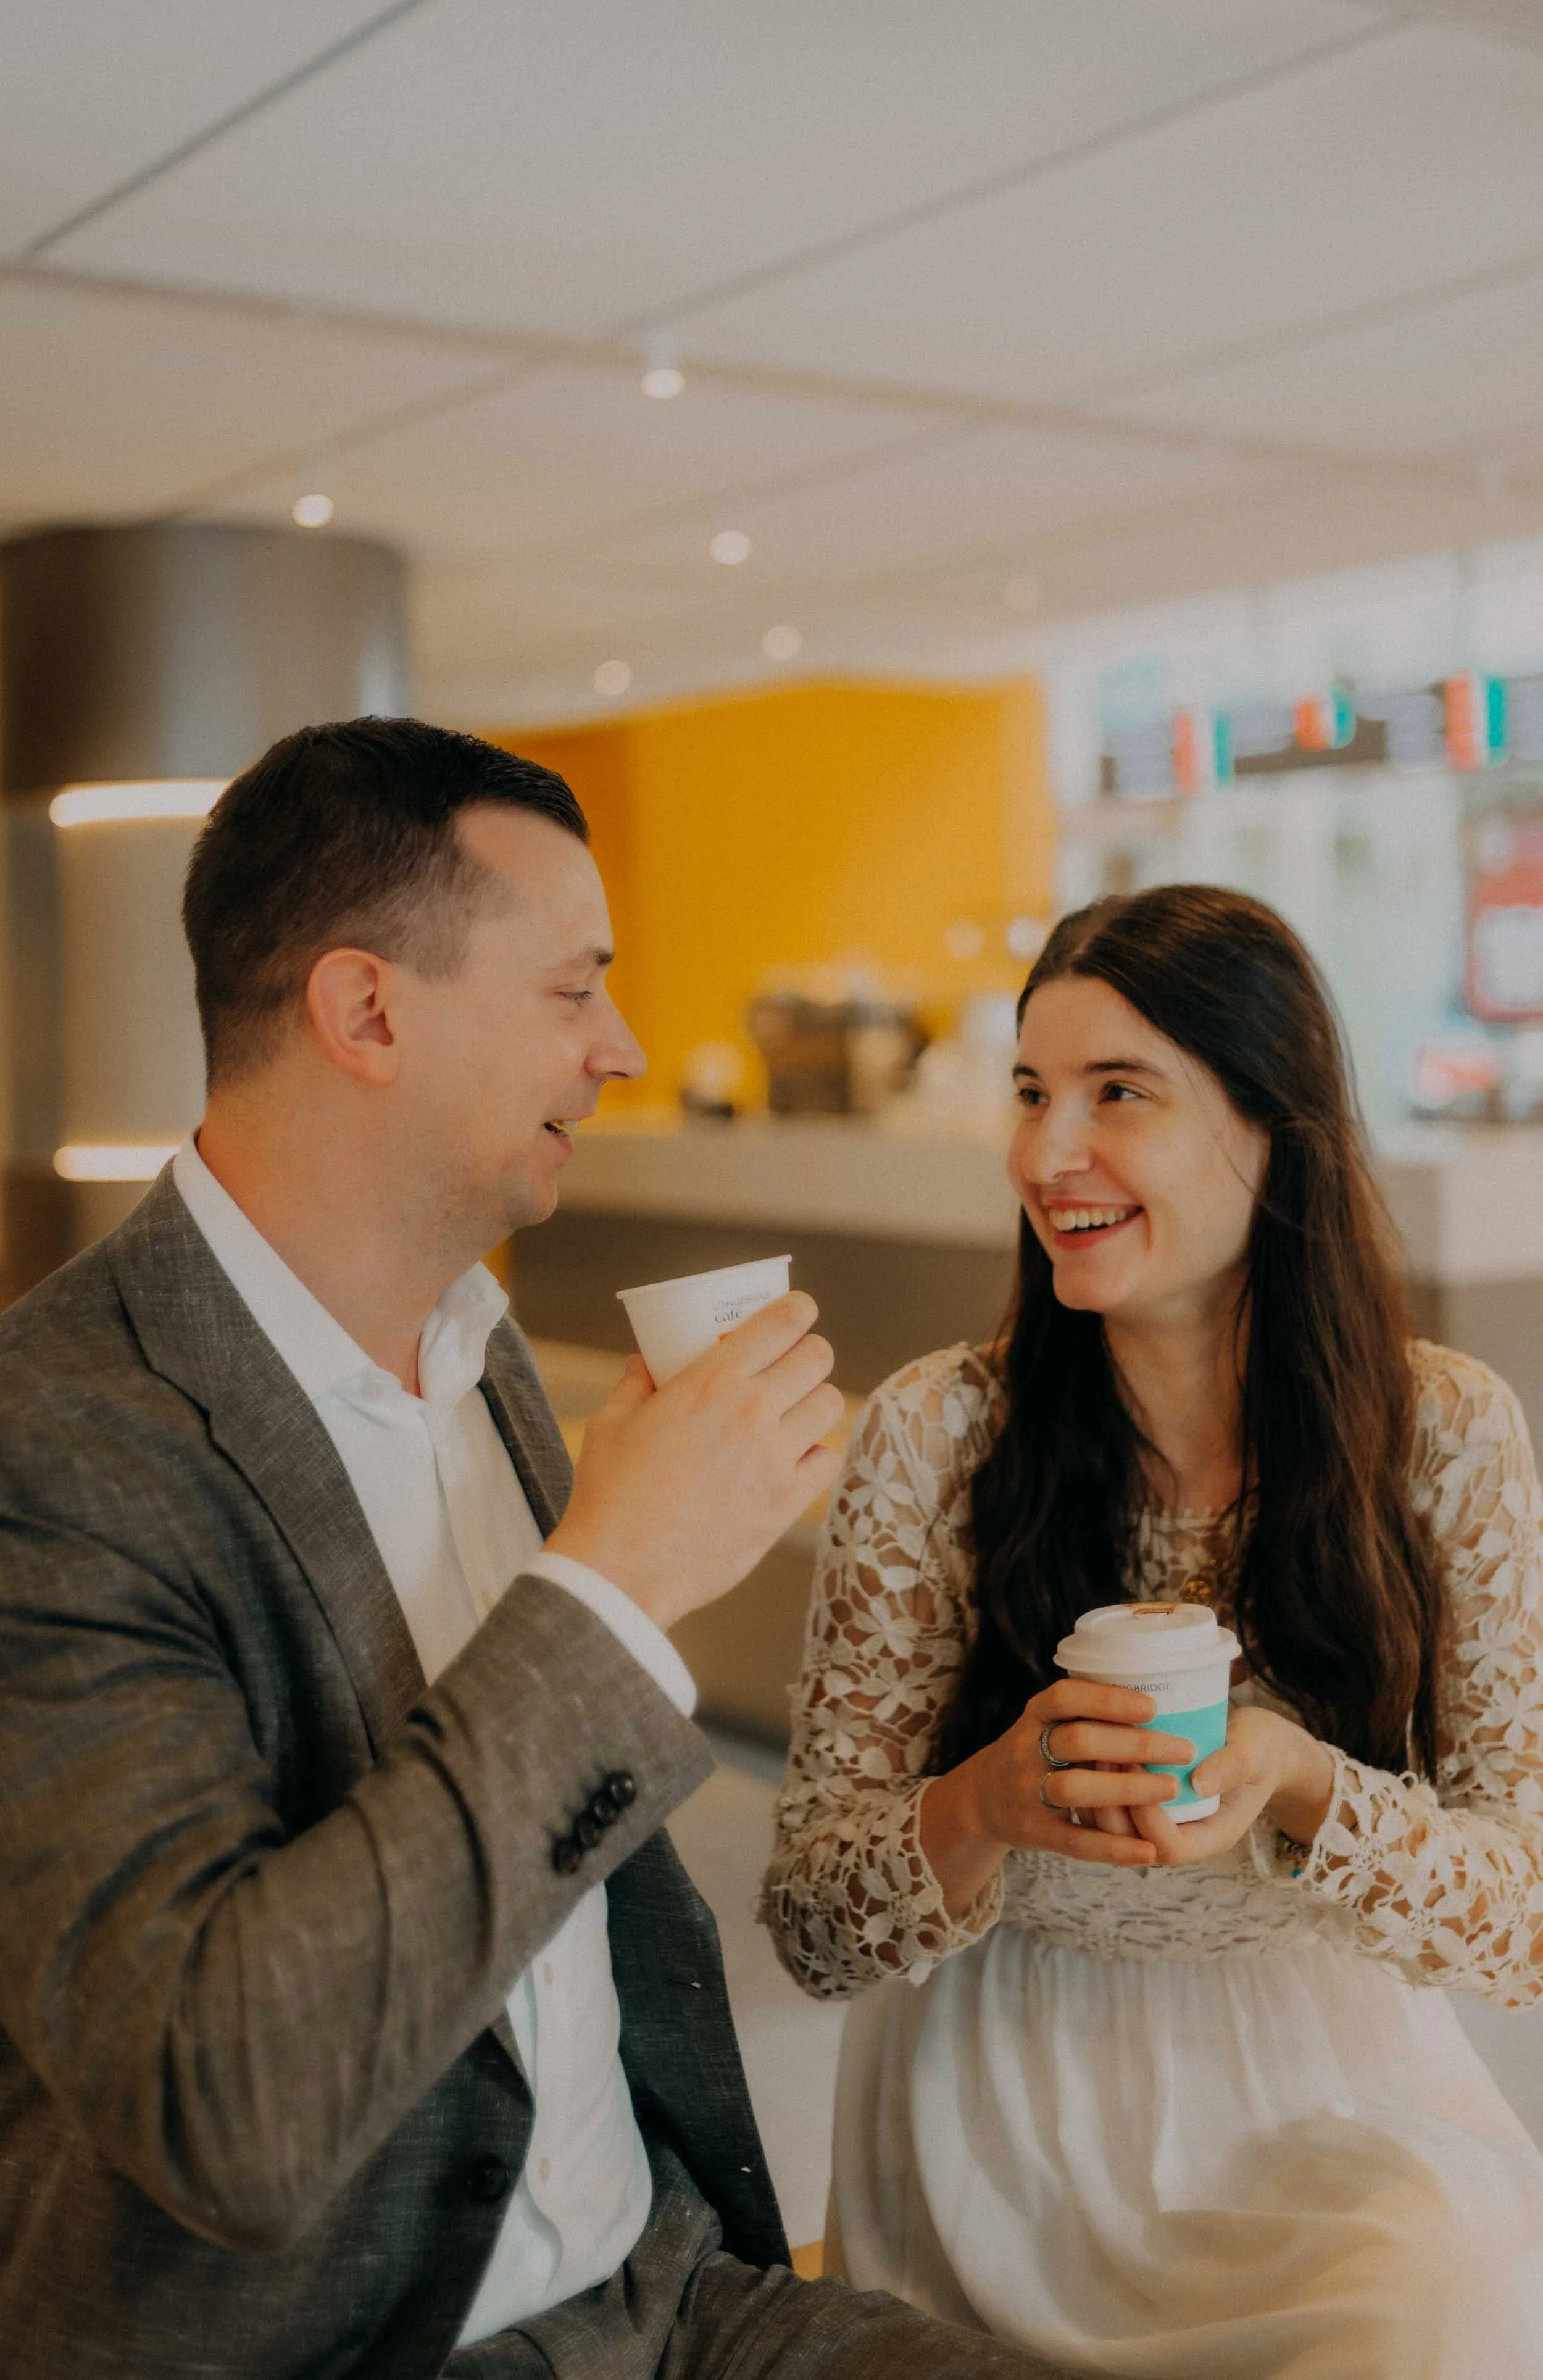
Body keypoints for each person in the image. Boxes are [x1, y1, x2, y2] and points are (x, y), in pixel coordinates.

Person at [0, 718, 1050, 2380]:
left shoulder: (479, 1345)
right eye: (573, 990)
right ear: (365, 1011)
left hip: (672, 2294)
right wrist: (614, 1582)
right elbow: (225, 2102)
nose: (622, 1045)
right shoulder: (53, 1446)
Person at [763, 883, 1543, 2379]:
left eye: (1117, 1093)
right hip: (996, 2112)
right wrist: (991, 1799)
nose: (1045, 1154)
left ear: (1272, 1125)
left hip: (1322, 2096)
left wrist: (1303, 1782)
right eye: (1030, 1091)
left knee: (1442, 2308)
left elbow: (1519, 1918)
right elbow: (811, 1924)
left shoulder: (1438, 1428)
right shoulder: (938, 1432)